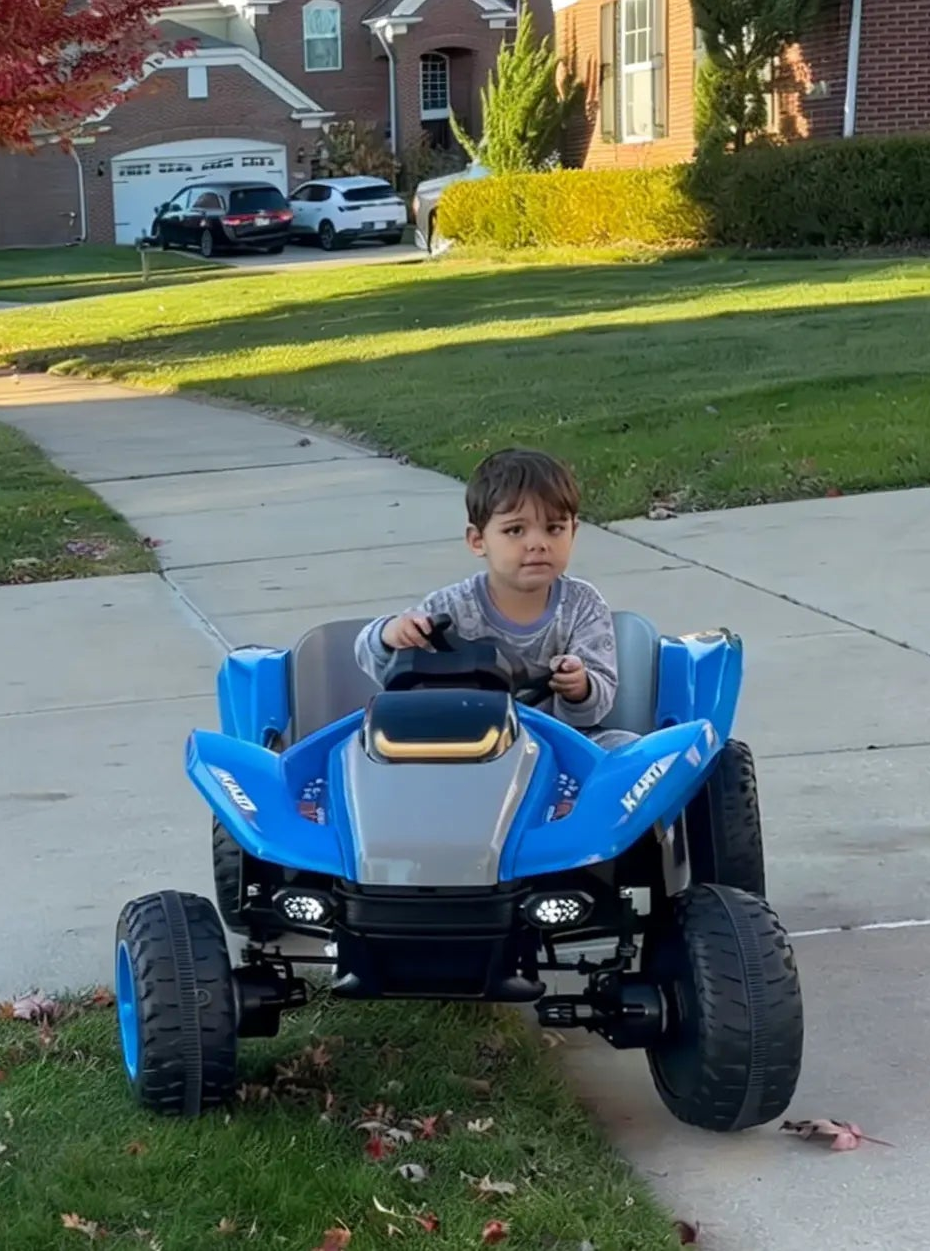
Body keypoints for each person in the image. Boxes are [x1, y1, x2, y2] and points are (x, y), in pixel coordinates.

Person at [353, 447, 639, 752]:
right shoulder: (450, 607)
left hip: (556, 747)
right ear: (478, 541)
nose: (538, 544)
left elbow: (597, 706)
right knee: (368, 747)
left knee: (633, 751)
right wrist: (390, 635)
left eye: (554, 529)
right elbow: (377, 663)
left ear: (573, 531)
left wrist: (580, 688)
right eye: (515, 530)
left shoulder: (583, 606)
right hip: (462, 744)